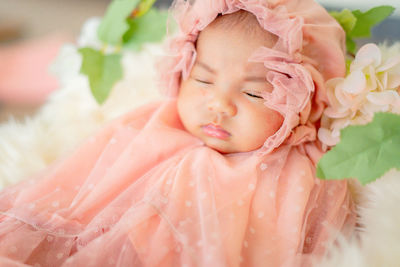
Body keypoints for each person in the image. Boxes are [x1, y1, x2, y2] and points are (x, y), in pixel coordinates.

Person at [0, 0, 355, 266]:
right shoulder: (154, 128)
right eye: (203, 80)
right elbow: (95, 183)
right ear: (184, 69)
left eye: (253, 93)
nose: (219, 104)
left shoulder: (293, 173)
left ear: (300, 101)